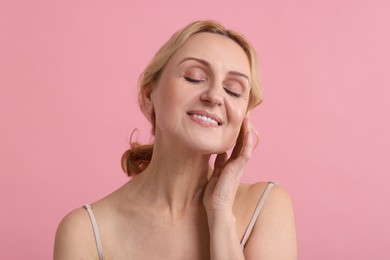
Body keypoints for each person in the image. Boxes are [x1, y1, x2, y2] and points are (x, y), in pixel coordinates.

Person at [54, 20, 297, 259]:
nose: (214, 96)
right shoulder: (85, 232)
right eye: (194, 77)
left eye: (233, 90)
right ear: (149, 95)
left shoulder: (266, 207)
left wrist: (220, 214)